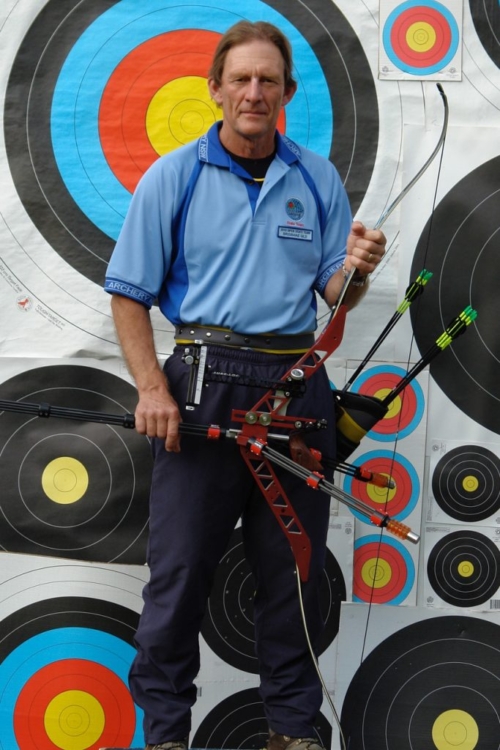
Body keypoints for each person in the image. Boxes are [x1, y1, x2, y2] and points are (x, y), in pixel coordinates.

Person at [103, 20, 386, 750]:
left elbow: (334, 294)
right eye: (241, 79)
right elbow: (129, 294)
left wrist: (358, 267)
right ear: (216, 90)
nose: (254, 92)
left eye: (268, 80)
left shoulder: (316, 177)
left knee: (291, 577)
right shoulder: (176, 176)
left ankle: (291, 734)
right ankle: (165, 735)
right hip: (200, 386)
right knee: (178, 580)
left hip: (297, 391)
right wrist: (150, 389)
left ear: (287, 93)